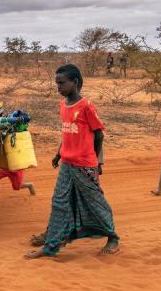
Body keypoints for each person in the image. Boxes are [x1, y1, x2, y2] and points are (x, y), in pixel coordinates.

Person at [26, 64, 120, 258]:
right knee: (59, 202)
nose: (58, 87)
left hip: (85, 165)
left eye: (62, 83)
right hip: (67, 164)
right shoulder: (63, 105)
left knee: (95, 203)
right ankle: (51, 244)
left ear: (75, 82)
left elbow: (99, 135)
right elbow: (67, 132)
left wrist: (93, 159)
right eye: (56, 83)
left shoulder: (86, 106)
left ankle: (113, 237)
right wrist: (59, 153)